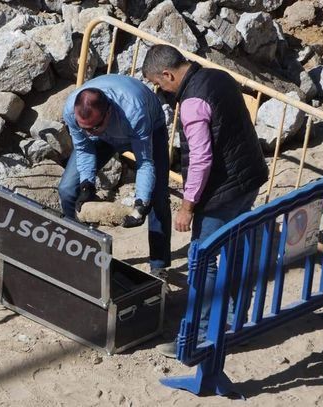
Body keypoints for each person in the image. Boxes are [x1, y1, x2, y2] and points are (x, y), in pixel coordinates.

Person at [142, 44, 268, 357]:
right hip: (249, 176)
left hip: (221, 192)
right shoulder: (218, 76)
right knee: (236, 251)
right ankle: (234, 322)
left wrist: (187, 207)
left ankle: (199, 336)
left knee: (204, 260)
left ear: (168, 74)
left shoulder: (192, 102)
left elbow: (199, 158)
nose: (162, 91)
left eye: (160, 84)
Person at [58, 74, 171, 275]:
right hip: (107, 134)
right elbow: (84, 148)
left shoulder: (134, 111)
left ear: (108, 112)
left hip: (147, 128)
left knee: (158, 196)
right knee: (68, 189)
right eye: (85, 128)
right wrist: (87, 185)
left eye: (93, 128)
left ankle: (158, 266)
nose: (89, 132)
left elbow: (145, 163)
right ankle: (77, 250)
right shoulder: (72, 112)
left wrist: (141, 204)